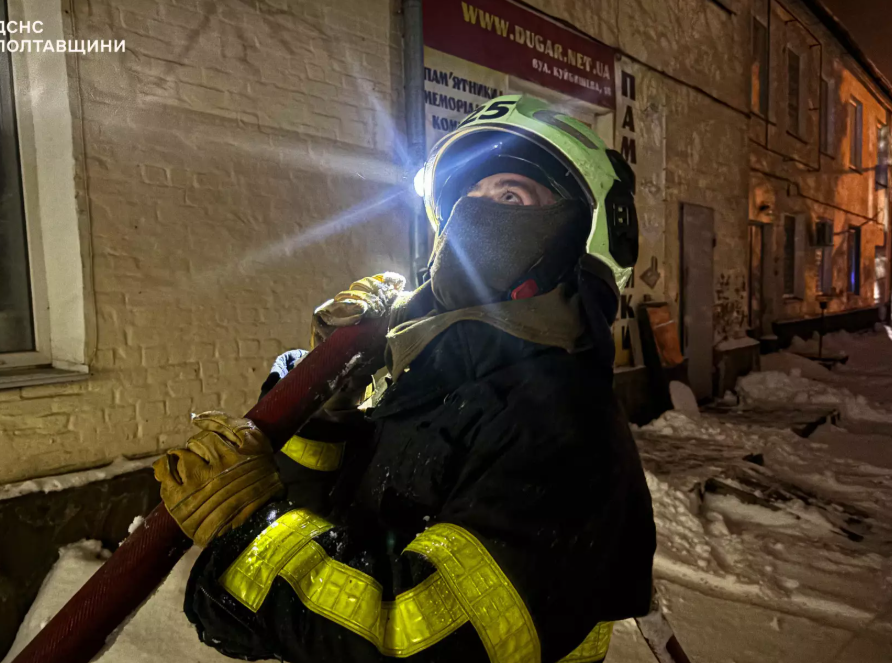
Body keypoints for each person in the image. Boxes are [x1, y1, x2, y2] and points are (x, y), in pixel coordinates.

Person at [153, 95, 656, 663]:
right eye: (467, 196)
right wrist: (329, 411)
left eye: (510, 196)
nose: (474, 214)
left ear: (578, 237)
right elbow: (336, 526)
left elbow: (419, 639)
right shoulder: (438, 376)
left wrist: (250, 530)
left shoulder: (563, 424)